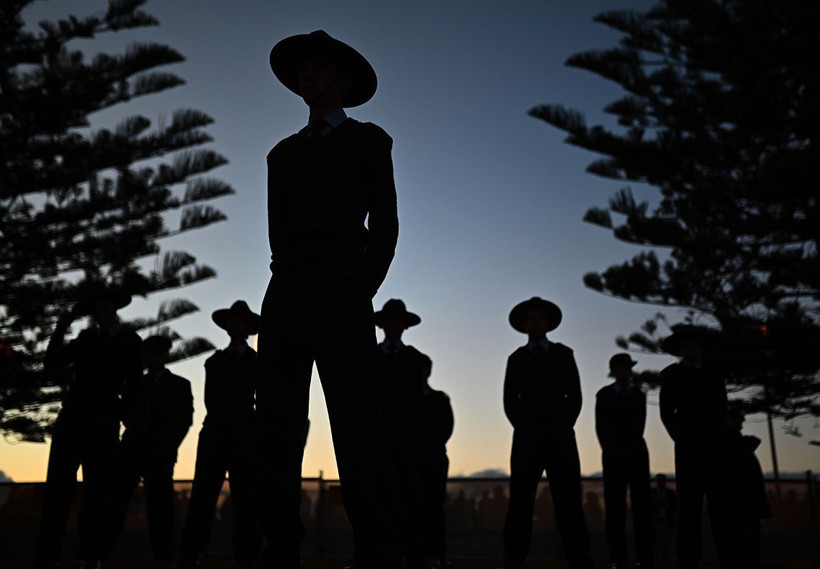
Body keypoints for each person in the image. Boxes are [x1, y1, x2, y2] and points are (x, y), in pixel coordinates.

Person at [257, 30, 400, 569]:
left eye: (317, 67)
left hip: (343, 291)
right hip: (287, 293)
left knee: (358, 421)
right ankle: (279, 546)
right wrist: (286, 283)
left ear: (342, 80)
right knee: (276, 422)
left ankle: (377, 548)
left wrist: (360, 288)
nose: (306, 75)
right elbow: (277, 232)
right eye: (302, 69)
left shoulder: (369, 140)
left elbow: (385, 224)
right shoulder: (282, 154)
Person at [35, 283, 143, 569]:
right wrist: (61, 327)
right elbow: (52, 362)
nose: (99, 312)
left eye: (103, 306)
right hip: (73, 420)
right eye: (95, 308)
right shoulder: (86, 338)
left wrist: (122, 416)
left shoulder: (130, 341)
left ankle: (91, 557)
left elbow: (135, 386)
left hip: (103, 423)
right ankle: (47, 558)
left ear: (114, 308)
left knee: (98, 494)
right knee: (57, 490)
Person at [501, 297, 593, 569]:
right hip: (527, 438)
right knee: (520, 501)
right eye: (531, 318)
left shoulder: (564, 354)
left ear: (548, 323)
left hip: (560, 437)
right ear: (524, 325)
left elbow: (575, 396)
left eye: (540, 318)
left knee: (569, 500)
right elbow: (509, 400)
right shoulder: (516, 359)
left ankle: (579, 559)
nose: (536, 323)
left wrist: (563, 425)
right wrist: (524, 426)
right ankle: (513, 559)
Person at [179, 301, 261, 569]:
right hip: (216, 431)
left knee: (245, 497)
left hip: (243, 433)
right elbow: (210, 400)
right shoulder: (214, 361)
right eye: (233, 321)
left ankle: (246, 557)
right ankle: (191, 554)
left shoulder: (255, 361)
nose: (236, 326)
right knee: (203, 494)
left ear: (248, 328)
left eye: (241, 322)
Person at [105, 335, 193, 564]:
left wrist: (168, 445)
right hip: (132, 450)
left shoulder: (180, 385)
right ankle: (101, 553)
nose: (155, 358)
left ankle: (164, 556)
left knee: (160, 506)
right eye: (151, 354)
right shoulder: (135, 383)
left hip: (160, 453)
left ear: (165, 356)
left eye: (158, 354)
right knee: (116, 502)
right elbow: (124, 412)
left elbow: (185, 420)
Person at [659, 325, 727, 569]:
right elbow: (666, 412)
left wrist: (718, 439)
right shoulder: (671, 375)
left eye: (696, 345)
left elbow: (722, 409)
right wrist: (680, 438)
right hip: (687, 448)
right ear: (680, 349)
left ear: (702, 349)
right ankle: (688, 561)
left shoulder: (714, 373)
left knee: (720, 507)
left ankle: (728, 558)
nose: (692, 349)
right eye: (687, 345)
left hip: (714, 447)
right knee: (689, 508)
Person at [373, 299, 432, 569]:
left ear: (404, 325)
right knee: (376, 496)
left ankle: (414, 555)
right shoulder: (370, 356)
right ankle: (373, 553)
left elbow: (419, 404)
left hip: (407, 437)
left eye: (398, 320)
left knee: (410, 496)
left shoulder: (416, 359)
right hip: (377, 436)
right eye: (389, 320)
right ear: (382, 324)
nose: (393, 325)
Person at [595, 353, 654, 569]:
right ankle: (618, 558)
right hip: (614, 456)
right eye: (622, 367)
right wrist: (611, 449)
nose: (626, 371)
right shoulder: (604, 395)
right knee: (614, 509)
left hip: (636, 454)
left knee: (642, 508)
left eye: (628, 367)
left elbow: (640, 426)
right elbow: (601, 427)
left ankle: (645, 558)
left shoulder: (638, 395)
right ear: (613, 370)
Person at [417, 357, 454, 567]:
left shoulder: (440, 399)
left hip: (434, 459)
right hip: (415, 459)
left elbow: (447, 427)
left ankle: (437, 552)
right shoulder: (405, 399)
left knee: (435, 507)